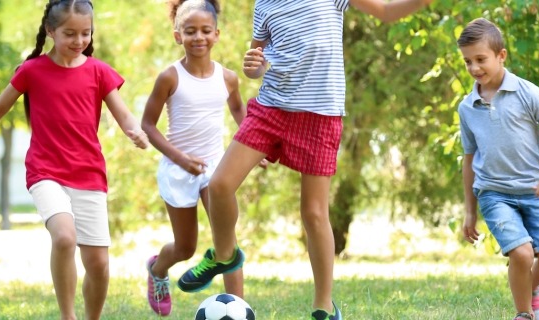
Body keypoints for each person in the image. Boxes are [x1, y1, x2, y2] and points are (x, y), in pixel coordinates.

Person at [175, 1, 433, 319]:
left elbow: (386, 11)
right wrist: (252, 65)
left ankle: (323, 306)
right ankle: (225, 255)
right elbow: (256, 64)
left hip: (320, 116)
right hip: (272, 107)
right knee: (220, 185)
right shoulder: (265, 4)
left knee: (313, 213)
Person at [0, 1, 149, 319]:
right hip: (45, 171)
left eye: (85, 33)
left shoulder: (99, 72)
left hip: (89, 174)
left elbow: (124, 114)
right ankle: (68, 316)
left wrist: (135, 132)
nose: (79, 41)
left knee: (99, 266)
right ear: (51, 31)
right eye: (70, 34)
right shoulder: (32, 70)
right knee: (64, 236)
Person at [457, 18, 539, 320]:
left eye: (480, 59)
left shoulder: (527, 93)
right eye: (468, 61)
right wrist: (470, 212)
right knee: (521, 254)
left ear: (501, 55)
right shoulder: (467, 107)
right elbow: (469, 161)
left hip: (535, 191)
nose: (474, 68)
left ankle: (528, 287)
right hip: (494, 194)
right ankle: (524, 314)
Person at [139, 0, 248, 316]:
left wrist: (254, 144)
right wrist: (181, 158)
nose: (198, 37)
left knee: (226, 242)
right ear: (177, 35)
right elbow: (148, 125)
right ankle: (158, 270)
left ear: (217, 34)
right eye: (190, 31)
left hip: (215, 168)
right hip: (178, 169)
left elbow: (239, 110)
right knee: (185, 247)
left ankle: (239, 309)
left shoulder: (228, 78)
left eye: (205, 31)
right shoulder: (170, 77)